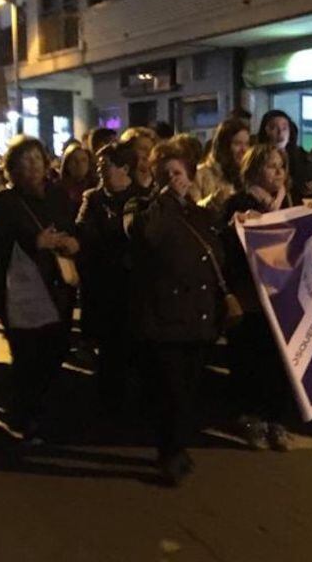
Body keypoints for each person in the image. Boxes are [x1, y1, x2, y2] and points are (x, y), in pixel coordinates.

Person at [126, 136, 225, 485]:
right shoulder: (145, 208)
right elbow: (147, 237)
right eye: (166, 173)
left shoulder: (200, 214)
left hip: (198, 315)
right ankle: (169, 451)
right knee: (169, 389)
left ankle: (178, 445)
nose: (173, 179)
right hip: (165, 316)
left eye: (178, 172)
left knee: (189, 388)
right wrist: (166, 200)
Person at [0, 136, 79, 443]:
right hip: (21, 288)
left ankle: (43, 410)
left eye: (36, 159)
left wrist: (72, 242)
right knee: (27, 355)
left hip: (57, 284)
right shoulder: (2, 200)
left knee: (55, 350)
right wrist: (33, 242)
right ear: (12, 167)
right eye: (24, 161)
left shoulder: (57, 194)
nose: (32, 166)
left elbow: (73, 227)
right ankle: (25, 415)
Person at [222, 143, 298, 452]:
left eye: (281, 166)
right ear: (254, 170)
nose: (278, 172)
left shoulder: (289, 203)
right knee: (251, 358)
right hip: (251, 296)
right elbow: (227, 249)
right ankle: (250, 418)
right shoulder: (237, 203)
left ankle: (276, 419)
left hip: (283, 296)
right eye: (271, 166)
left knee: (280, 361)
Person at [76, 141, 138, 413]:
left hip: (133, 284)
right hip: (103, 284)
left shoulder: (141, 199)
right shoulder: (93, 199)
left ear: (125, 168)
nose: (100, 170)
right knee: (109, 347)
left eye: (106, 165)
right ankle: (109, 403)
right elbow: (83, 232)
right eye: (99, 166)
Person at [258, 110, 312, 200]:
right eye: (273, 128)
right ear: (265, 131)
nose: (280, 132)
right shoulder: (258, 156)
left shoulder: (300, 155)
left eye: (284, 128)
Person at [195, 117, 250, 215]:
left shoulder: (247, 175)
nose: (244, 150)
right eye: (237, 144)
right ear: (224, 146)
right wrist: (214, 200)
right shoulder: (200, 174)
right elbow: (192, 211)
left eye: (246, 144)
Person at [59, 142, 97, 220]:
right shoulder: (59, 189)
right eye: (74, 160)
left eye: (83, 160)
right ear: (67, 164)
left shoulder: (96, 188)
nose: (79, 164)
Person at [121, 126, 159, 202]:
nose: (148, 154)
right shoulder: (119, 187)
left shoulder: (157, 188)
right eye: (143, 149)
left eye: (151, 150)